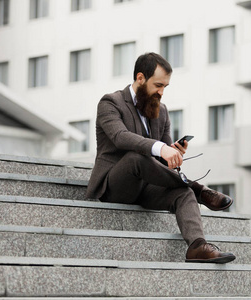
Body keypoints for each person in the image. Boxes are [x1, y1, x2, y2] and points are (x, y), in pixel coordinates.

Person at [86, 52, 235, 263]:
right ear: (140, 78)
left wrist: (172, 153)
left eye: (165, 86)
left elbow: (160, 162)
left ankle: (197, 246)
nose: (161, 92)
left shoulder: (161, 111)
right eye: (158, 85)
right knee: (136, 157)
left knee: (182, 192)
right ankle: (199, 190)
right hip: (114, 185)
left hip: (146, 186)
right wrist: (160, 148)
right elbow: (120, 138)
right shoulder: (111, 103)